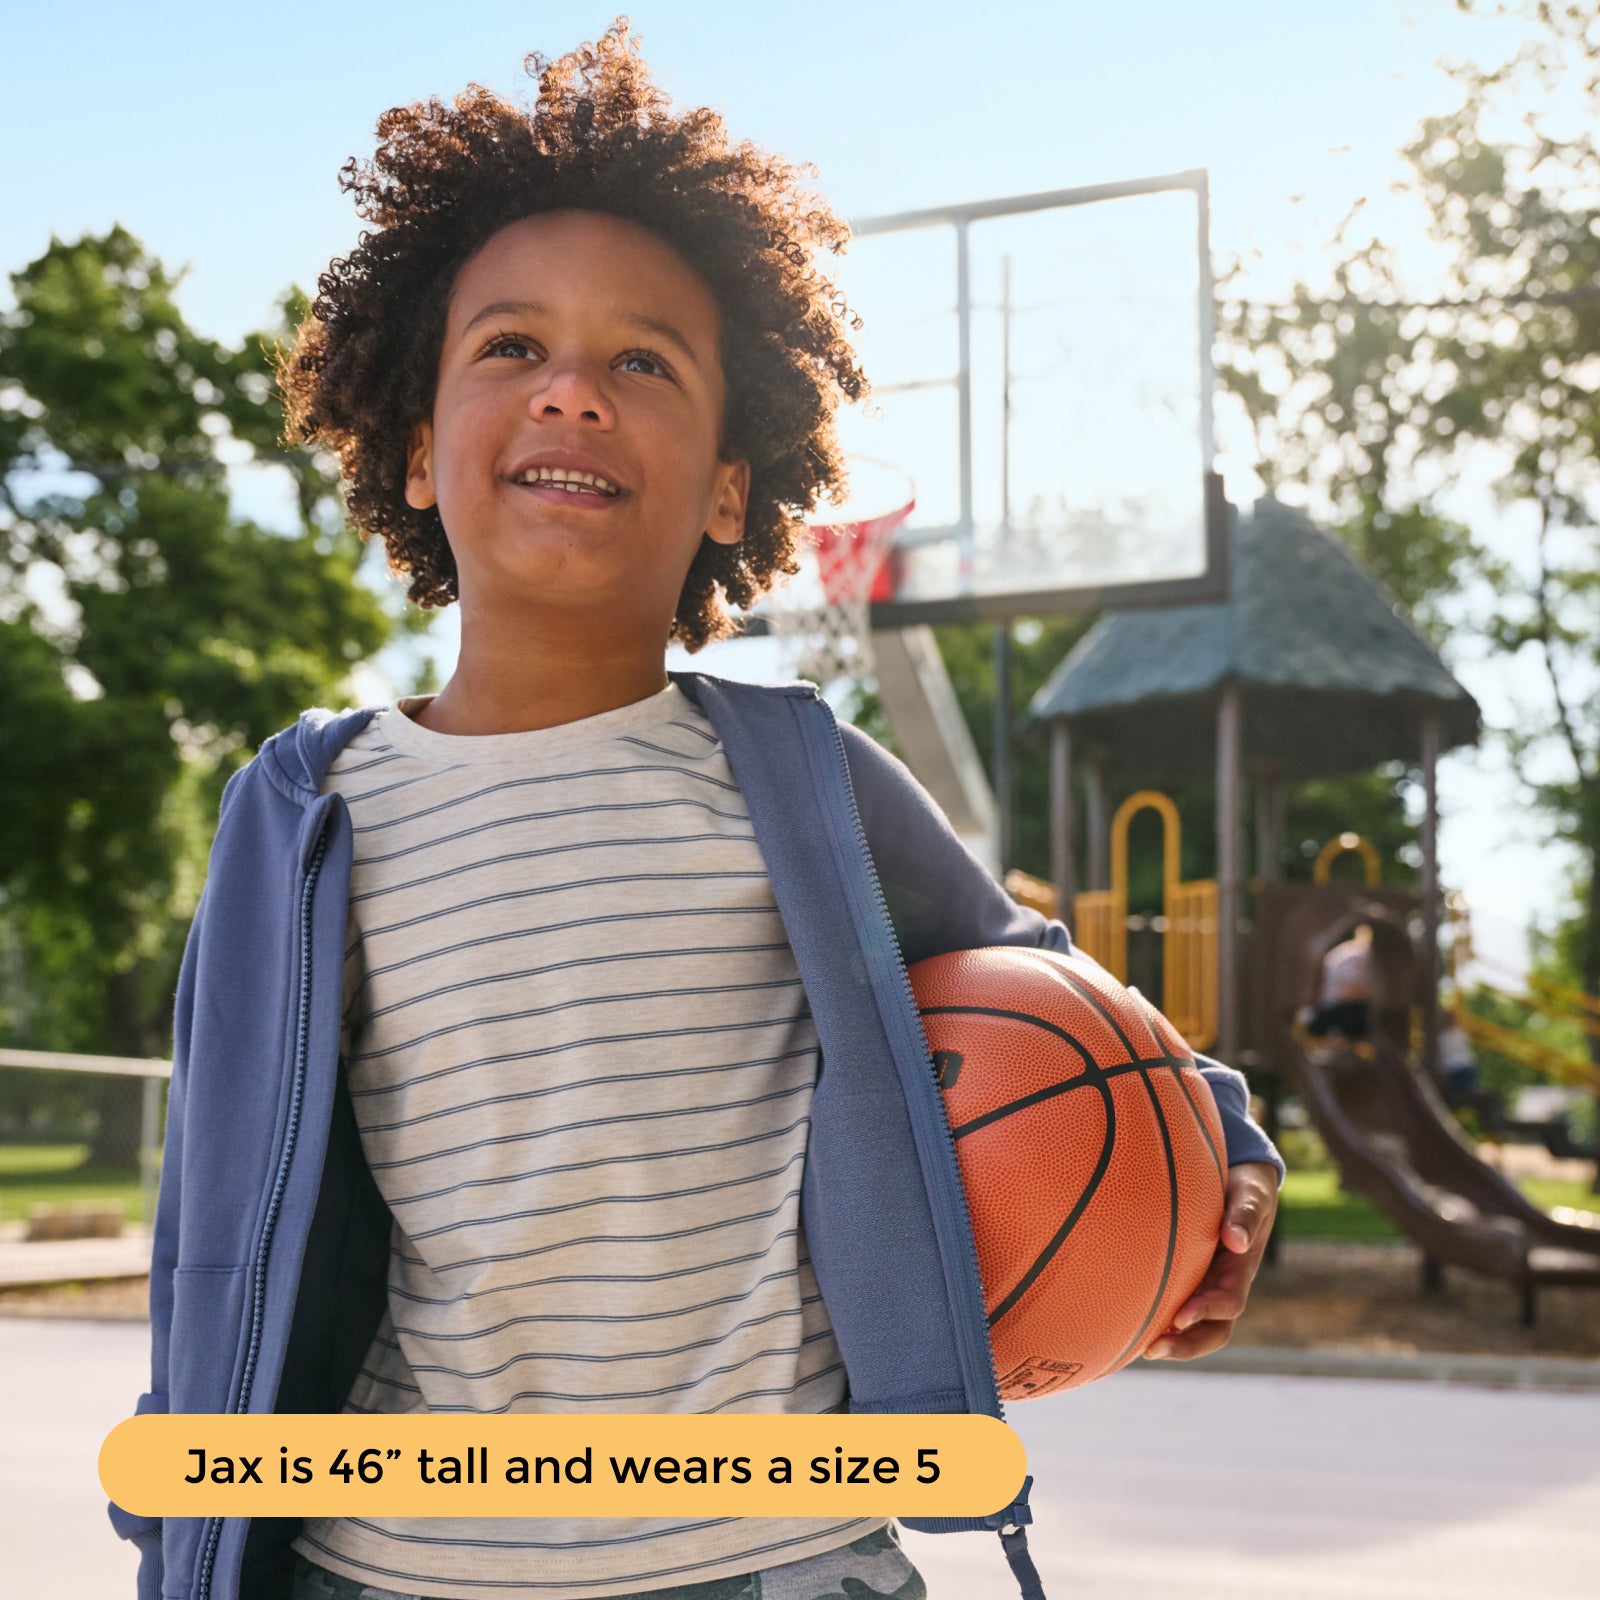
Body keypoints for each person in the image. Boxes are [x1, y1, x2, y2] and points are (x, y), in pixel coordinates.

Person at [108, 25, 1283, 1600]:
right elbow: (221, 1205)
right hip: (391, 1555)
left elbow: (1065, 1001)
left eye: (643, 361)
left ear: (733, 489)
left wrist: (1220, 1149)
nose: (574, 393)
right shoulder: (306, 812)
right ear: (412, 448)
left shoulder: (803, 782)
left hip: (782, 1547)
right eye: (509, 349)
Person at [1307, 922, 1375, 1042]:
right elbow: (1350, 989)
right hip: (1340, 1009)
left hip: (1324, 1008)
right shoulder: (1360, 953)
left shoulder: (1342, 950)